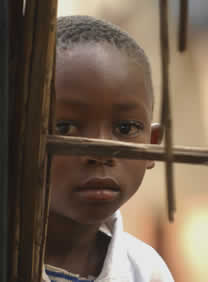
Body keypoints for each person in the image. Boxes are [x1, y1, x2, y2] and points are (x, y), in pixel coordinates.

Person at [42, 15, 174, 282]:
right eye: (65, 127)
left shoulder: (146, 272)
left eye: (125, 129)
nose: (101, 152)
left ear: (152, 145)